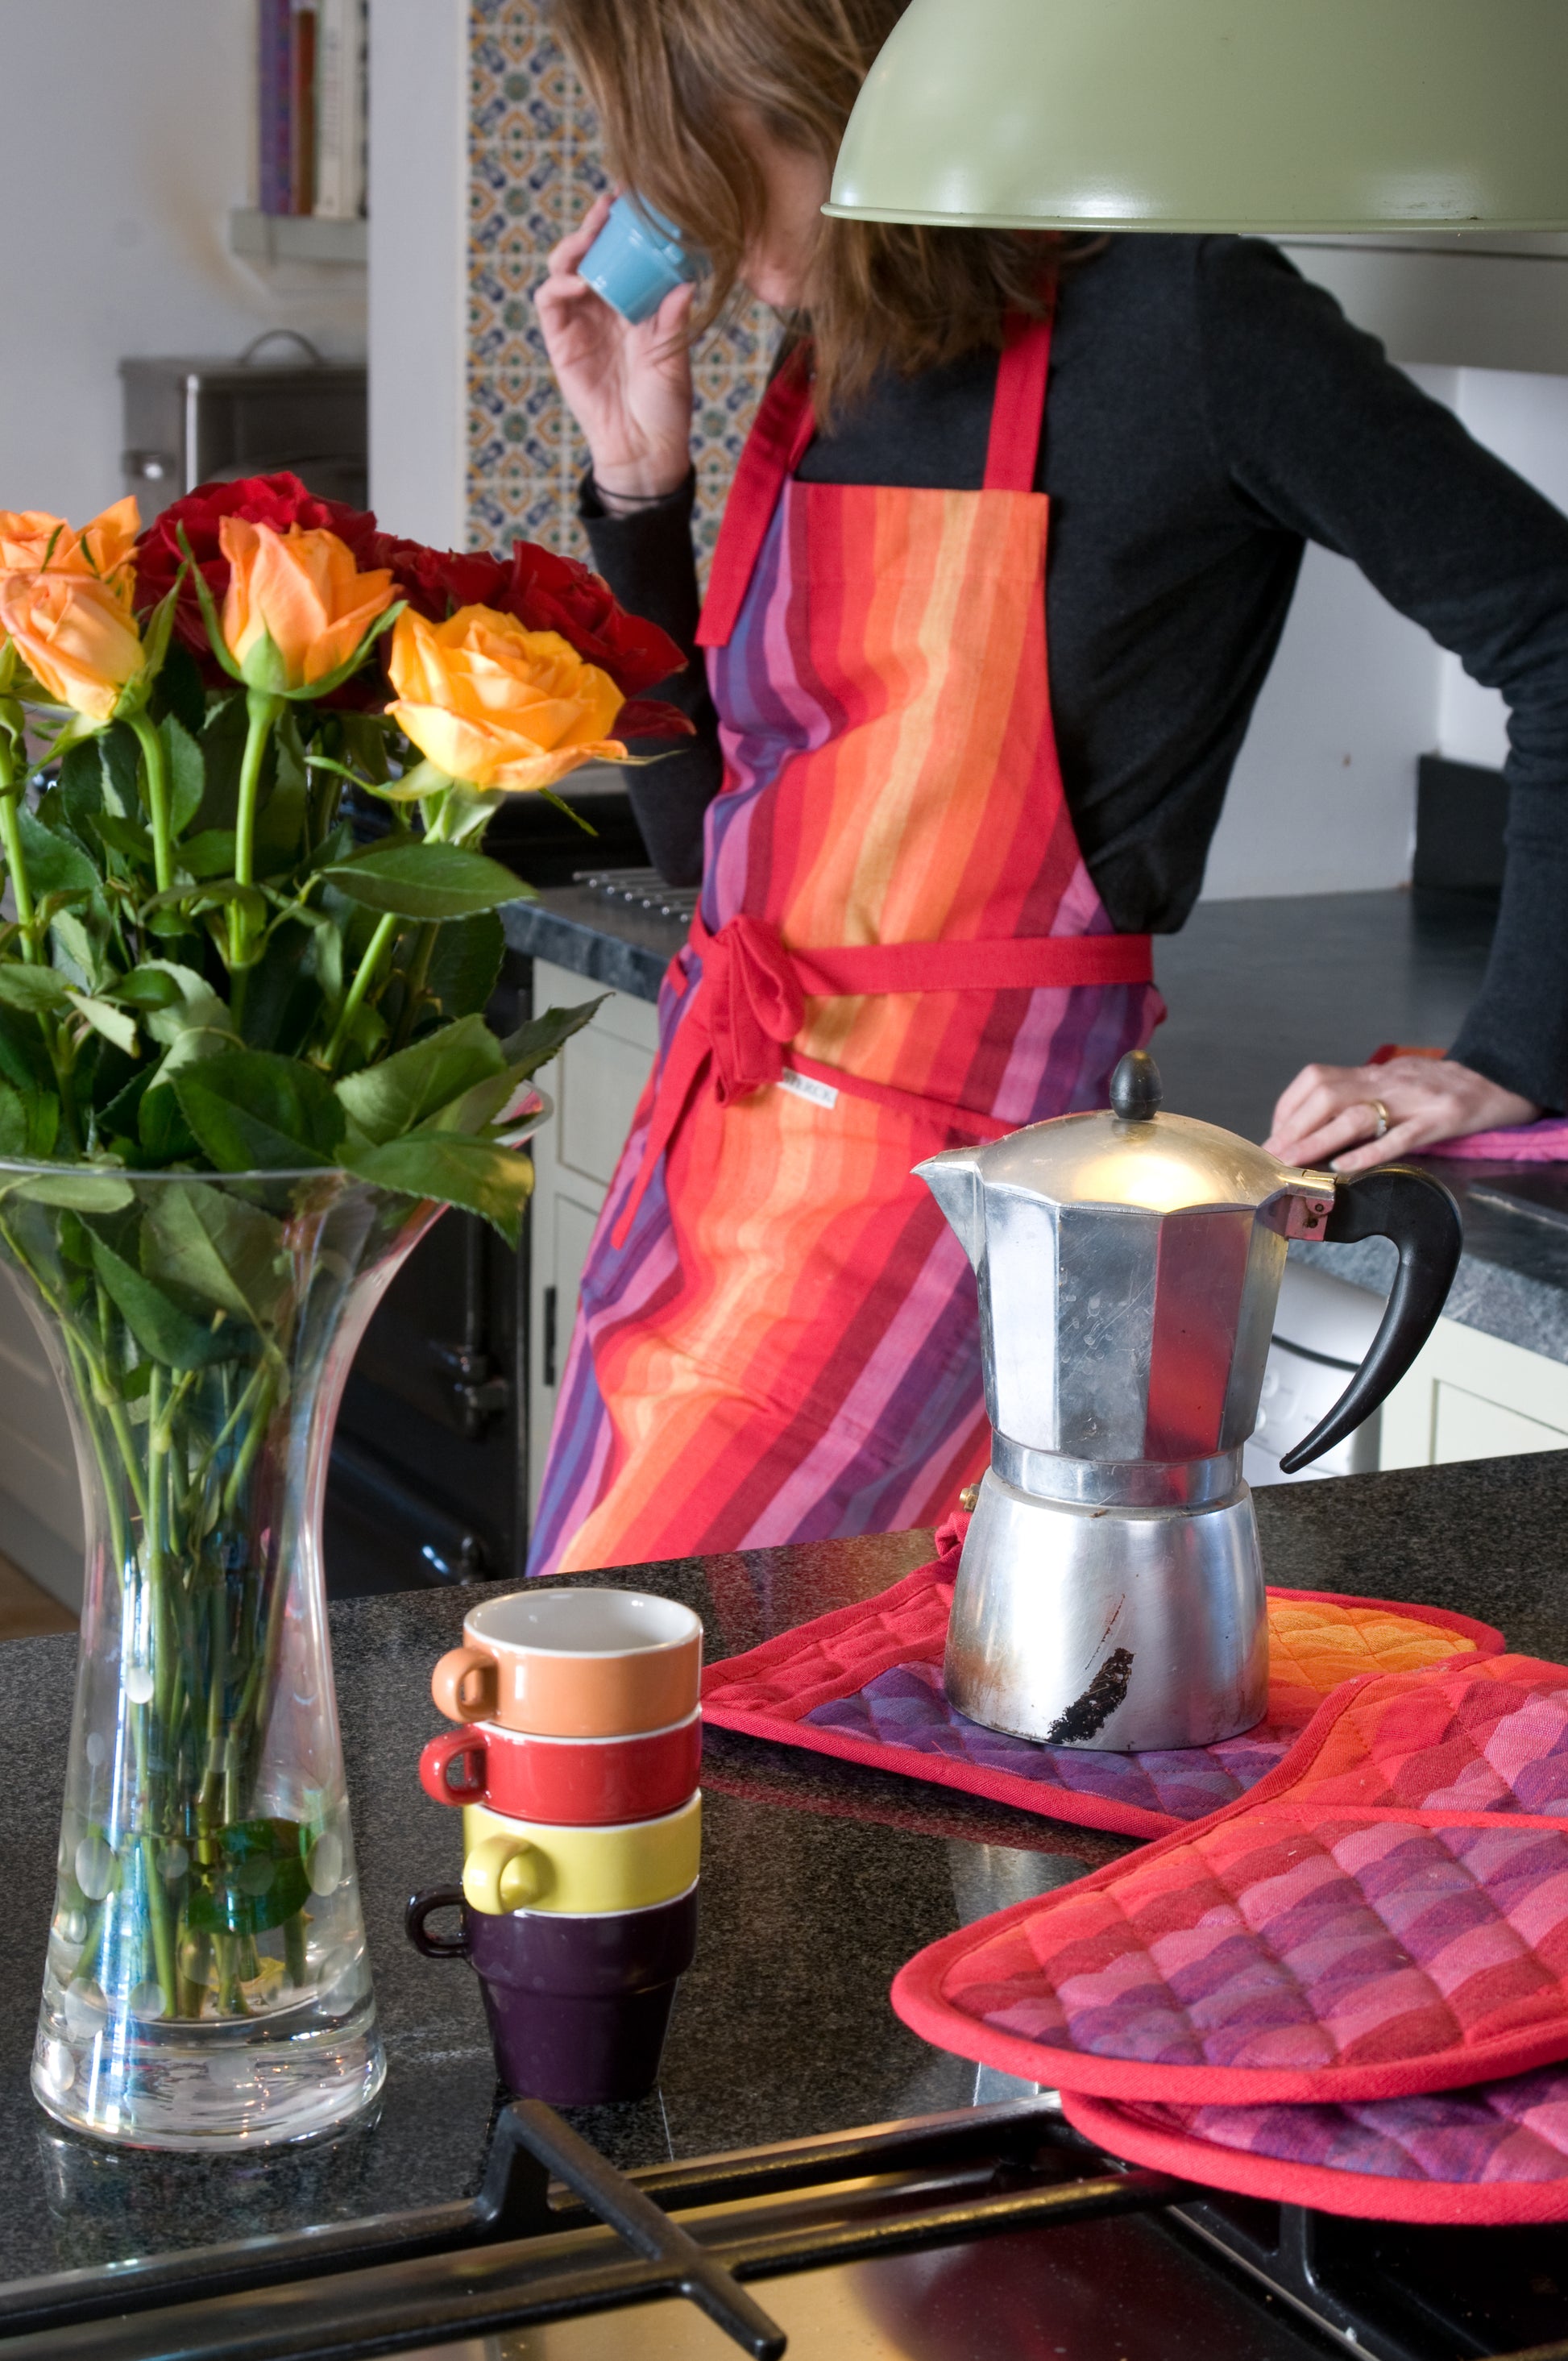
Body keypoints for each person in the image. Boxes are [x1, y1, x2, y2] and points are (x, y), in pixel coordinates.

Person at [526, 0, 1568, 1577]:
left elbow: (1552, 629)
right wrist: (635, 487)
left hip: (960, 1192)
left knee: (645, 1686)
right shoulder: (830, 365)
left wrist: (1512, 1050)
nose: (711, 228)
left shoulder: (1193, 324)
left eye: (722, 163)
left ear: (832, 96)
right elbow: (709, 845)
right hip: (721, 1143)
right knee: (617, 1692)